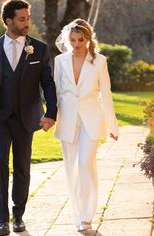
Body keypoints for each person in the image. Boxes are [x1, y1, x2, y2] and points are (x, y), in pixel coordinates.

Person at [0, 1, 57, 235]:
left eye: (27, 18)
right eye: (21, 19)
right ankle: (2, 220)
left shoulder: (38, 49)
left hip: (26, 118)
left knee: (22, 168)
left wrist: (51, 113)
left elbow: (48, 84)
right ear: (8, 21)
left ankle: (18, 216)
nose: (26, 23)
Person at [54, 18, 119, 232]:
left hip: (91, 120)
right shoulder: (60, 61)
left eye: (80, 39)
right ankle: (77, 214)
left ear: (88, 39)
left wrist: (113, 126)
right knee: (71, 169)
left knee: (85, 166)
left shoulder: (99, 61)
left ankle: (86, 216)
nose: (76, 44)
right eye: (72, 40)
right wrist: (49, 117)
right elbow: (55, 92)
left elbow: (106, 95)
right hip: (67, 121)